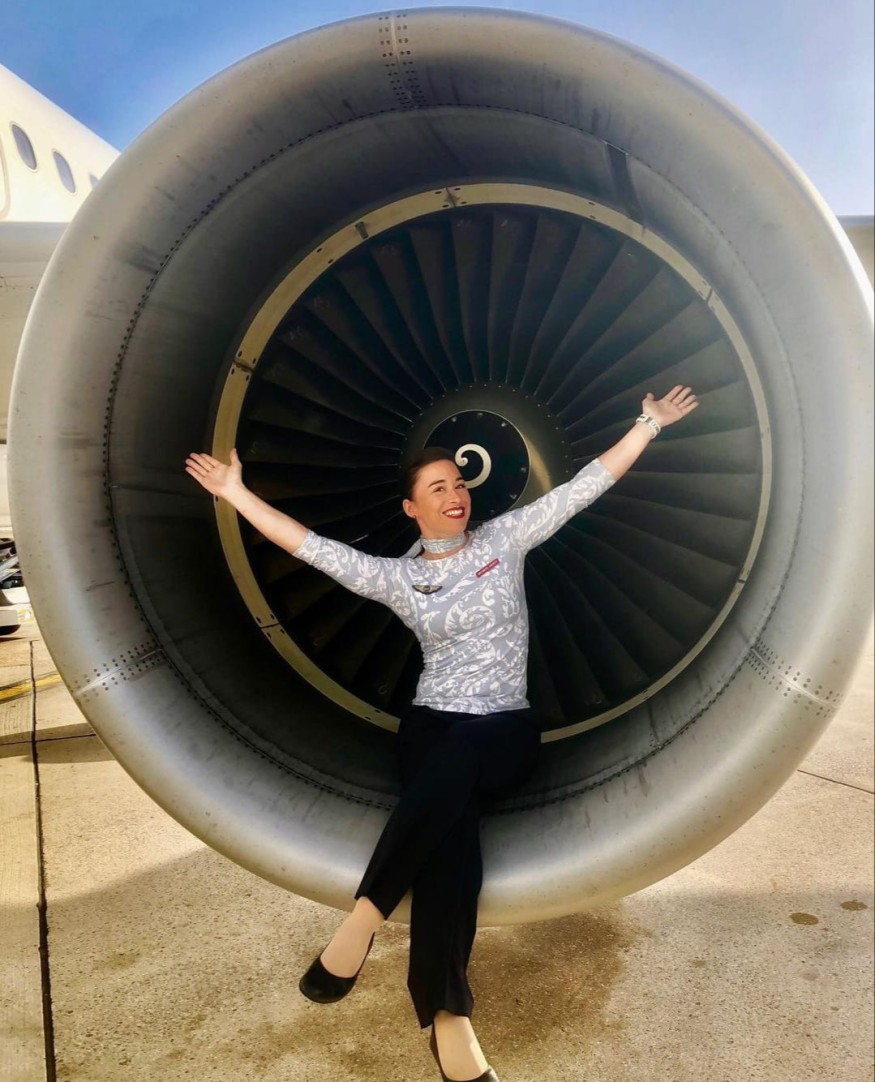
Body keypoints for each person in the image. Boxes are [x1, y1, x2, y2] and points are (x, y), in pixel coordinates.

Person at [185, 385, 698, 1082]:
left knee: (456, 769)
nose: (455, 495)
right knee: (449, 840)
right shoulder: (397, 579)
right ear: (411, 508)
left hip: (503, 727)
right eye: (437, 488)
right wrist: (236, 493)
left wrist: (648, 424)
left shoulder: (505, 540)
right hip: (431, 725)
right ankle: (450, 1023)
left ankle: (362, 921)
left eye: (458, 483)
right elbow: (310, 548)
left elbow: (586, 486)